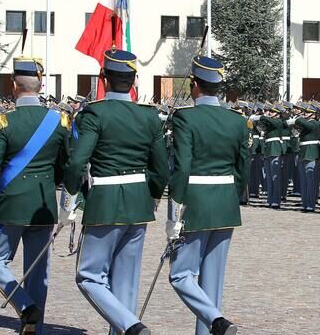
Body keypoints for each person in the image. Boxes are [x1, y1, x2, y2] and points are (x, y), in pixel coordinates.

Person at [64, 49, 169, 335]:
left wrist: (69, 198)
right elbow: (161, 169)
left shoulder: (95, 113)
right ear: (134, 81)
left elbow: (77, 162)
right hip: (138, 203)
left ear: (104, 80)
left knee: (88, 276)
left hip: (105, 202)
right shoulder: (149, 117)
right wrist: (152, 196)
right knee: (126, 282)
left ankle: (131, 326)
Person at [0, 57, 70, 335]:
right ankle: (34, 328)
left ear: (14, 86)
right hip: (43, 204)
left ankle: (25, 306)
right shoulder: (59, 120)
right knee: (38, 271)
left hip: (12, 203)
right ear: (40, 86)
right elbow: (65, 166)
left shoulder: (3, 121)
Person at [166, 56, 249, 335]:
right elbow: (242, 168)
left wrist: (175, 211)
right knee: (212, 282)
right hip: (225, 203)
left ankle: (217, 320)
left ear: (194, 85)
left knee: (180, 275)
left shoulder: (186, 118)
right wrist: (229, 195)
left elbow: (182, 168)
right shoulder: (236, 120)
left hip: (196, 204)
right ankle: (214, 326)